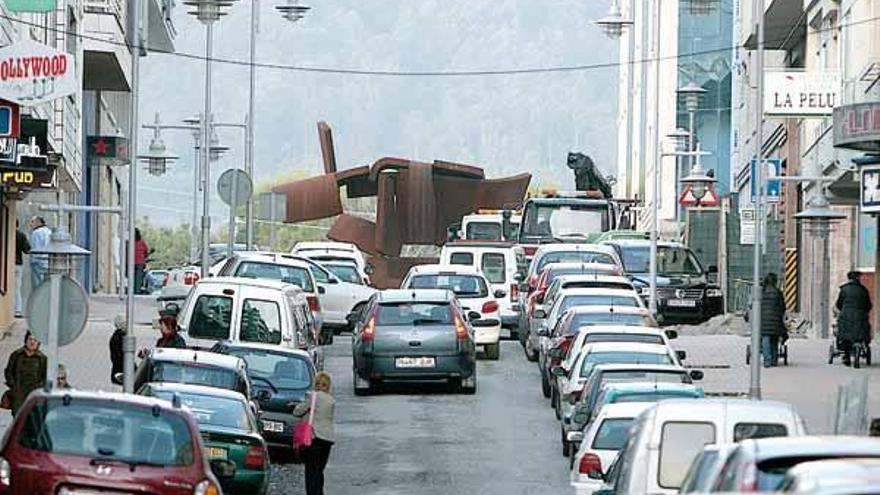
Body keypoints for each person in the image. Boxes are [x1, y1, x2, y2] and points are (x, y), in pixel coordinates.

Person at [293, 371, 335, 495]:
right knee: (319, 470)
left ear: (316, 385)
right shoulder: (332, 400)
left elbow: (297, 411)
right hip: (327, 440)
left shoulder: (312, 396)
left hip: (313, 438)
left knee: (311, 470)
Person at [3, 332, 48, 416]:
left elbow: (45, 377)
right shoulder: (16, 355)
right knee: (18, 419)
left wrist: (38, 388)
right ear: (26, 341)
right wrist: (13, 385)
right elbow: (8, 372)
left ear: (38, 343)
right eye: (30, 339)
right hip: (18, 395)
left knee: (32, 419)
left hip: (33, 396)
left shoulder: (42, 359)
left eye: (35, 340)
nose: (32, 342)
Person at [747, 273, 786, 367]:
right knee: (774, 339)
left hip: (762, 320)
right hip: (776, 320)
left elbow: (752, 305)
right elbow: (783, 307)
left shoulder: (760, 292)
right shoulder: (778, 293)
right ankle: (774, 360)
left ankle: (767, 360)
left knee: (765, 337)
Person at [835, 271, 872, 367]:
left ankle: (846, 356)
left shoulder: (844, 289)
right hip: (860, 316)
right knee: (861, 332)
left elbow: (839, 304)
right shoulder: (864, 290)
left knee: (845, 336)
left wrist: (843, 310)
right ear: (858, 278)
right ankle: (860, 347)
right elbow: (868, 305)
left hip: (846, 316)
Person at [29, 216, 51, 290]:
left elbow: (34, 249)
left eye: (32, 221)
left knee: (37, 287)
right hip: (48, 262)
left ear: (38, 222)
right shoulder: (49, 232)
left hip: (37, 262)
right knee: (46, 286)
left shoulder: (36, 233)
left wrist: (33, 261)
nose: (30, 224)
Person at [14, 219, 30, 318]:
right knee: (17, 288)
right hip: (17, 264)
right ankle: (17, 310)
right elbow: (27, 250)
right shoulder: (21, 235)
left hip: (5, 265)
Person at [109, 315, 125, 385]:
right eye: (124, 323)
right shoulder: (120, 338)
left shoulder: (115, 337)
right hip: (121, 370)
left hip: (117, 369)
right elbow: (118, 356)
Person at [134, 228, 150, 294]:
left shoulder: (129, 242)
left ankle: (134, 289)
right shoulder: (142, 242)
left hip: (131, 262)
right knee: (139, 276)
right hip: (140, 262)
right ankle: (137, 290)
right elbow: (146, 251)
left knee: (133, 276)